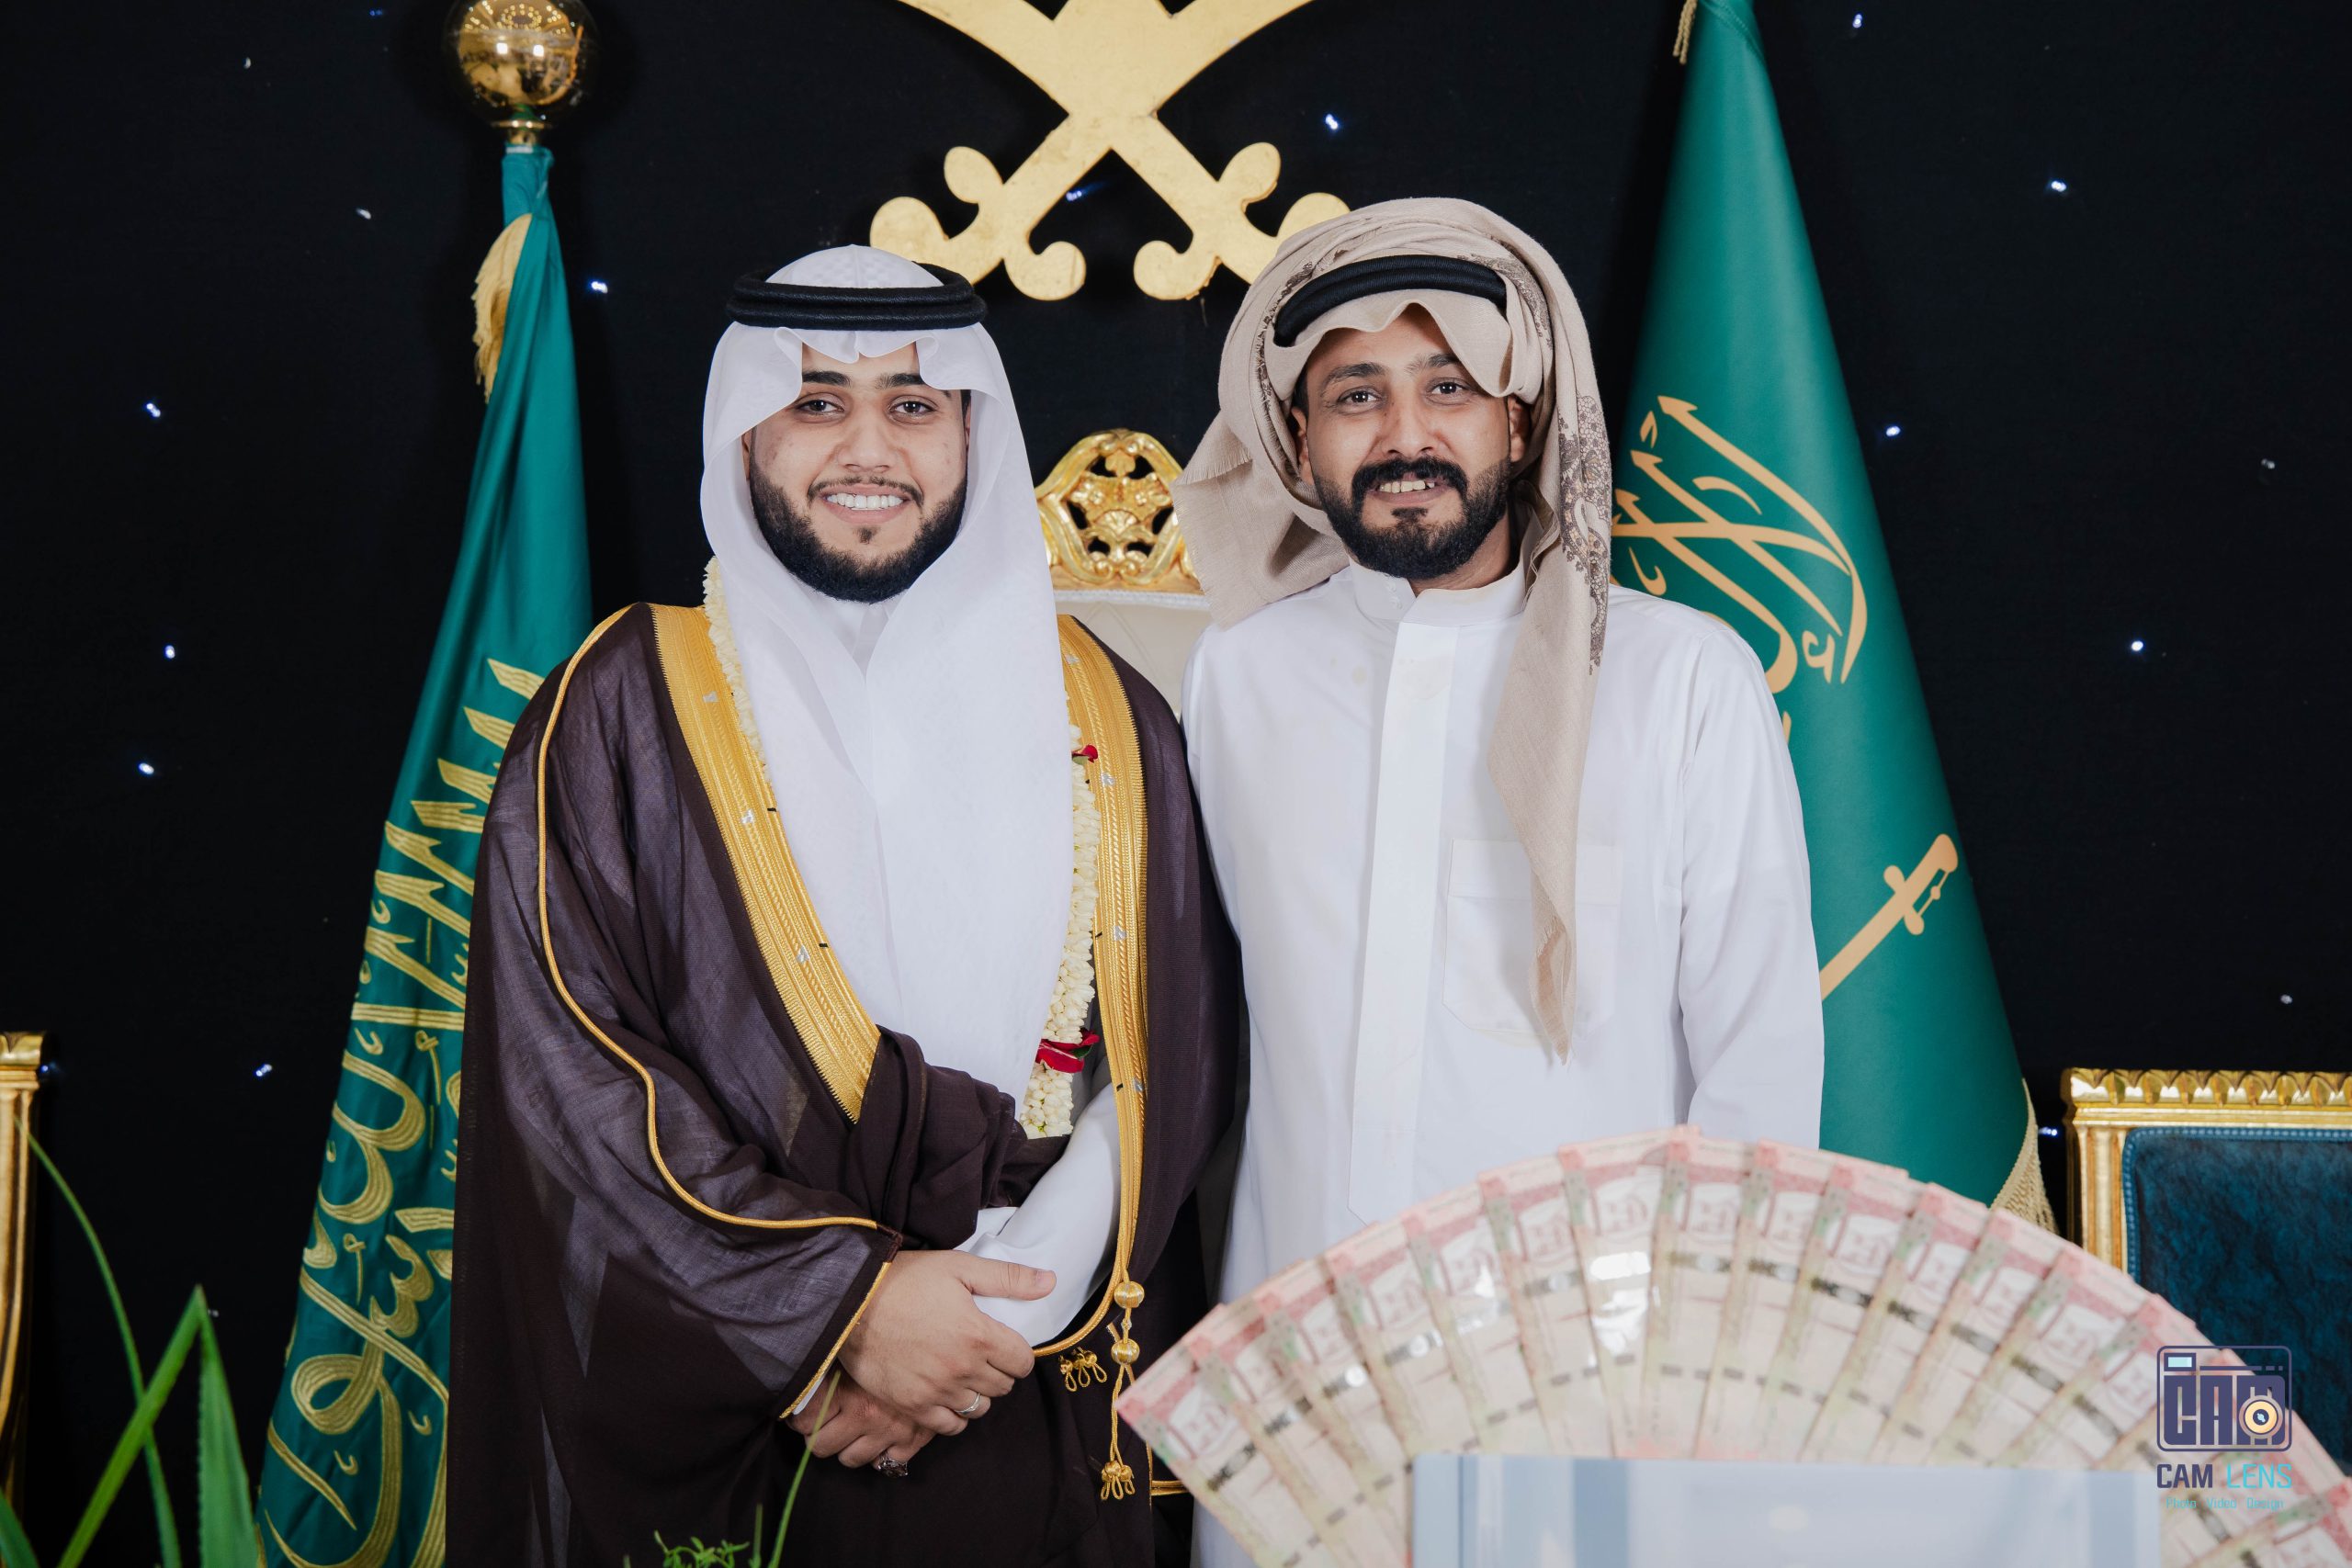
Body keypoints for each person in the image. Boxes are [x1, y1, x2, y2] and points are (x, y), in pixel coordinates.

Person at [447, 247, 1237, 1567]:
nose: (868, 449)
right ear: (745, 429)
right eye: (816, 402)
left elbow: (1180, 1048)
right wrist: (839, 1313)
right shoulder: (624, 700)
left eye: (913, 405)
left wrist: (1000, 1309)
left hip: (1025, 1371)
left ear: (972, 431)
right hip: (752, 1404)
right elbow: (566, 1071)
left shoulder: (1111, 710)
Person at [1175, 197, 1825, 1355]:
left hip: (1589, 1362)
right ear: (1297, 440)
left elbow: (1758, 1059)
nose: (1404, 437)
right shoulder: (1242, 672)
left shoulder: (1681, 678)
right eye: (1355, 396)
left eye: (1450, 387)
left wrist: (1710, 1354)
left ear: (1520, 425)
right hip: (1294, 1351)